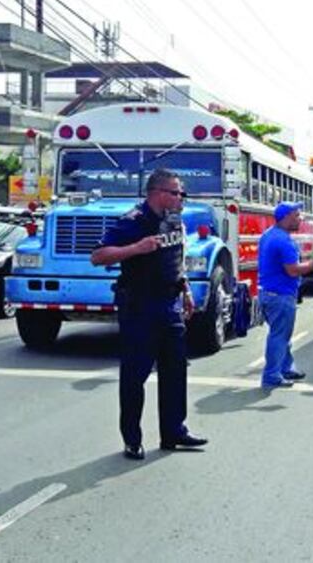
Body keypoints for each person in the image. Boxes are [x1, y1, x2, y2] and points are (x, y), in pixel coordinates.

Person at [90, 168, 207, 460]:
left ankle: (174, 431)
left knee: (175, 371)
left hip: (170, 304)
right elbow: (98, 256)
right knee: (135, 375)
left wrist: (186, 290)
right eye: (176, 192)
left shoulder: (174, 222)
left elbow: (175, 260)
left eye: (181, 193)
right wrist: (136, 248)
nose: (182, 198)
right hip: (140, 306)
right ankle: (132, 439)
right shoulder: (133, 221)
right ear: (157, 193)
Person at [258, 201, 313, 389]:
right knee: (279, 336)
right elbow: (293, 270)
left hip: (268, 293)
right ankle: (271, 375)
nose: (300, 218)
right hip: (280, 295)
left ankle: (285, 368)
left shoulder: (269, 235)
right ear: (285, 217)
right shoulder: (283, 241)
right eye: (296, 215)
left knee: (281, 335)